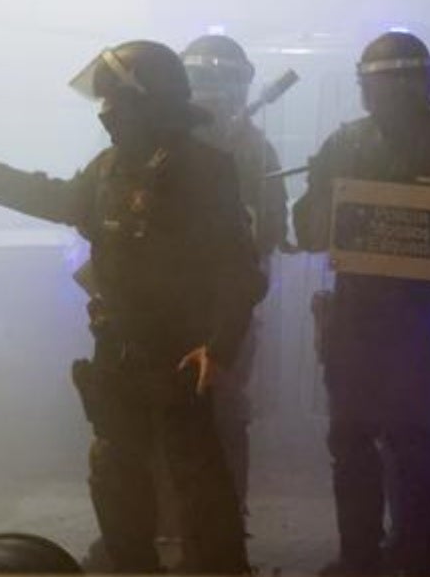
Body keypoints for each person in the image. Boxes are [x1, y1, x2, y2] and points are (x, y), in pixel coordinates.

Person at [0, 40, 265, 574]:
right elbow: (63, 199)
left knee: (199, 486)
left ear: (151, 105)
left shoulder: (204, 170)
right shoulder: (107, 169)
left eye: (115, 103)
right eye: (102, 102)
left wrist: (218, 348)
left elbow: (238, 271)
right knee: (116, 476)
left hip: (179, 356)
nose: (104, 115)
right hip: (117, 352)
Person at [293, 32, 430, 576]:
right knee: (357, 442)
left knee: (412, 446)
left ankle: (406, 555)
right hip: (366, 321)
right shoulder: (348, 145)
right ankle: (364, 556)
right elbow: (309, 227)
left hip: (424, 326)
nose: (385, 94)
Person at [181, 33, 288, 510]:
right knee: (156, 412)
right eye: (205, 80)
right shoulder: (162, 144)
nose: (215, 92)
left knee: (223, 412)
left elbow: (269, 232)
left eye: (224, 82)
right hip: (164, 302)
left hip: (227, 308)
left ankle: (224, 529)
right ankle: (159, 526)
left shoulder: (255, 152)